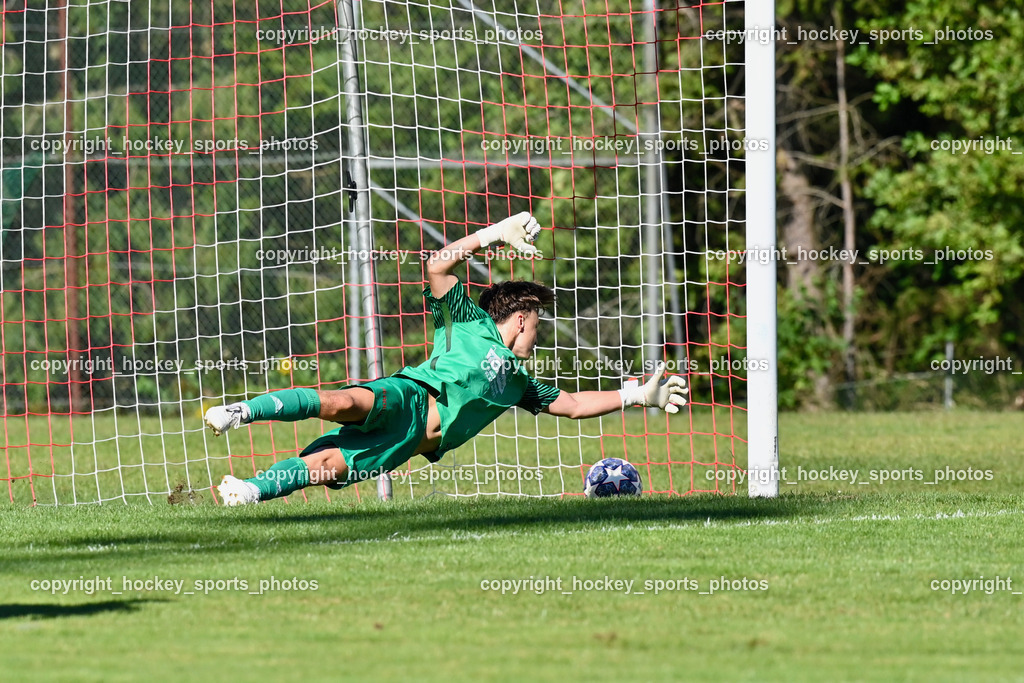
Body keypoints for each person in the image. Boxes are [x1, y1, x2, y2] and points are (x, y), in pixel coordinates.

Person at [205, 212, 688, 505]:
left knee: (328, 464)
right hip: (410, 397)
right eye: (537, 322)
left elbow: (574, 405)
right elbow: (438, 264)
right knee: (343, 402)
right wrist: (493, 234)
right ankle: (240, 412)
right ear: (520, 319)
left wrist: (637, 394)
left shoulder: (520, 382)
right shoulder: (469, 321)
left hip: (411, 442)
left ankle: (249, 490)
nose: (539, 335)